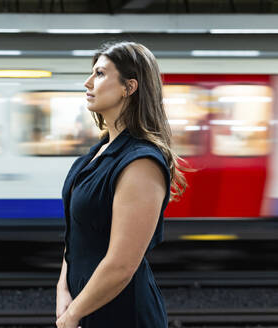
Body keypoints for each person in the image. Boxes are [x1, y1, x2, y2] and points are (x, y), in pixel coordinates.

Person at [55, 41, 189, 328]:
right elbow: (79, 234)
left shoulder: (140, 163)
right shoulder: (98, 152)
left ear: (129, 87)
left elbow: (122, 265)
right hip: (89, 304)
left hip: (122, 313)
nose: (87, 82)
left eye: (100, 74)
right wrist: (63, 288)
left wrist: (73, 314)